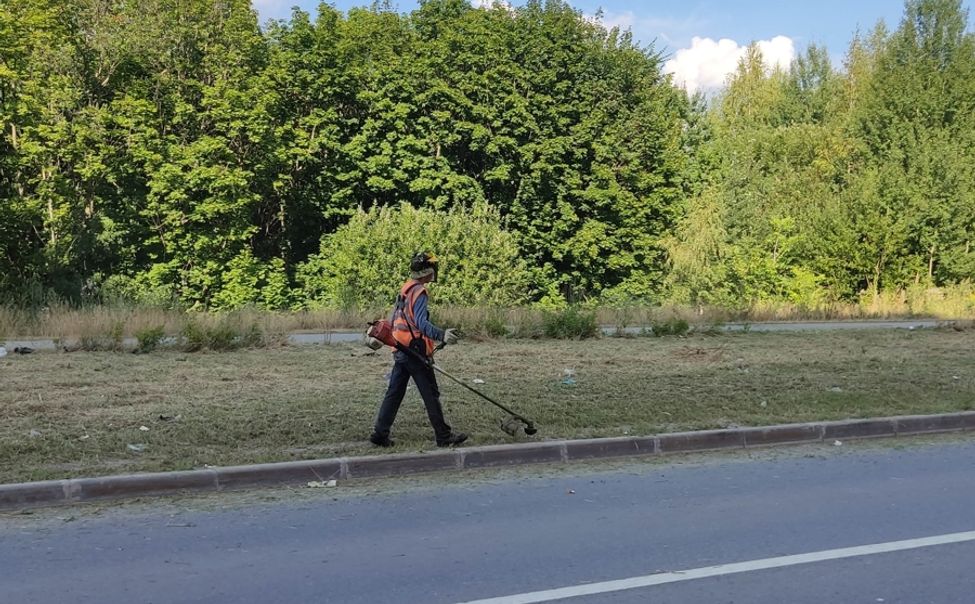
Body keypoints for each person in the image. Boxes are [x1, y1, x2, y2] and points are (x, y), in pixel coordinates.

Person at [369, 251, 467, 448]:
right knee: (430, 394)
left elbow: (394, 318)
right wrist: (442, 335)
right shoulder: (420, 292)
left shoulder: (405, 288)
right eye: (434, 267)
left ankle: (380, 434)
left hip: (400, 349)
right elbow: (420, 323)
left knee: (394, 393)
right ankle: (444, 436)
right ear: (427, 270)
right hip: (415, 351)